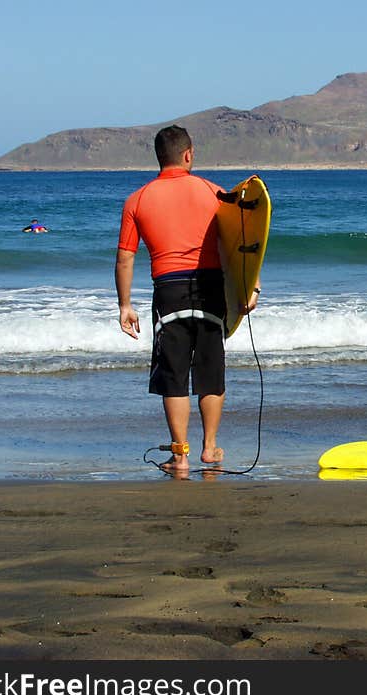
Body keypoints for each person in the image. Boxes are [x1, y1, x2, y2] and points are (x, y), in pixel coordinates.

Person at [115, 125, 259, 473]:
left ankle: (180, 456)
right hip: (211, 288)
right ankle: (210, 448)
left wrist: (124, 305)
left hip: (168, 290)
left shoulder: (137, 200)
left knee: (174, 375)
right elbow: (241, 246)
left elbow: (125, 257)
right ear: (189, 154)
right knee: (210, 372)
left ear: (158, 157)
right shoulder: (215, 193)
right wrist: (250, 287)